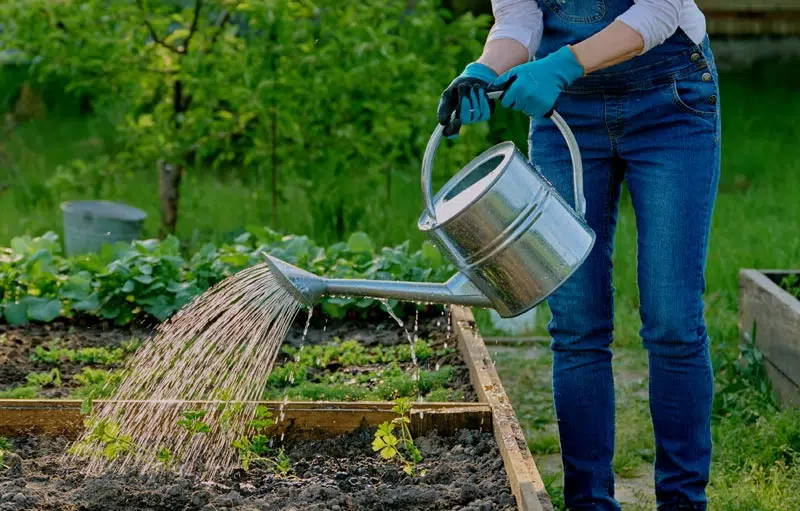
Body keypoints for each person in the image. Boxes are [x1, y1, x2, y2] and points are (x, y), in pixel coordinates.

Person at [437, 1, 720, 510]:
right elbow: (520, 21)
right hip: (565, 113)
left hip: (669, 100)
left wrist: (563, 63)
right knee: (576, 324)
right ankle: (588, 503)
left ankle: (682, 503)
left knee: (672, 320)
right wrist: (483, 70)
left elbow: (660, 12)